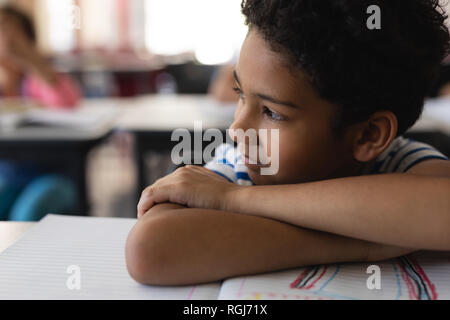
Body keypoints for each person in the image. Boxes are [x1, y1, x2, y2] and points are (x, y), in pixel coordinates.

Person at [126, 0, 450, 286]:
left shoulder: (399, 164)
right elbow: (148, 248)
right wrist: (363, 244)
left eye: (272, 112)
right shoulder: (240, 165)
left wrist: (236, 200)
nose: (238, 129)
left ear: (369, 135)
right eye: (240, 94)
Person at [0, 5, 81, 221]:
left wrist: (29, 58)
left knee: (26, 213)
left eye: (9, 31)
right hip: (8, 174)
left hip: (54, 175)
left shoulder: (38, 78)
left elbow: (68, 106)